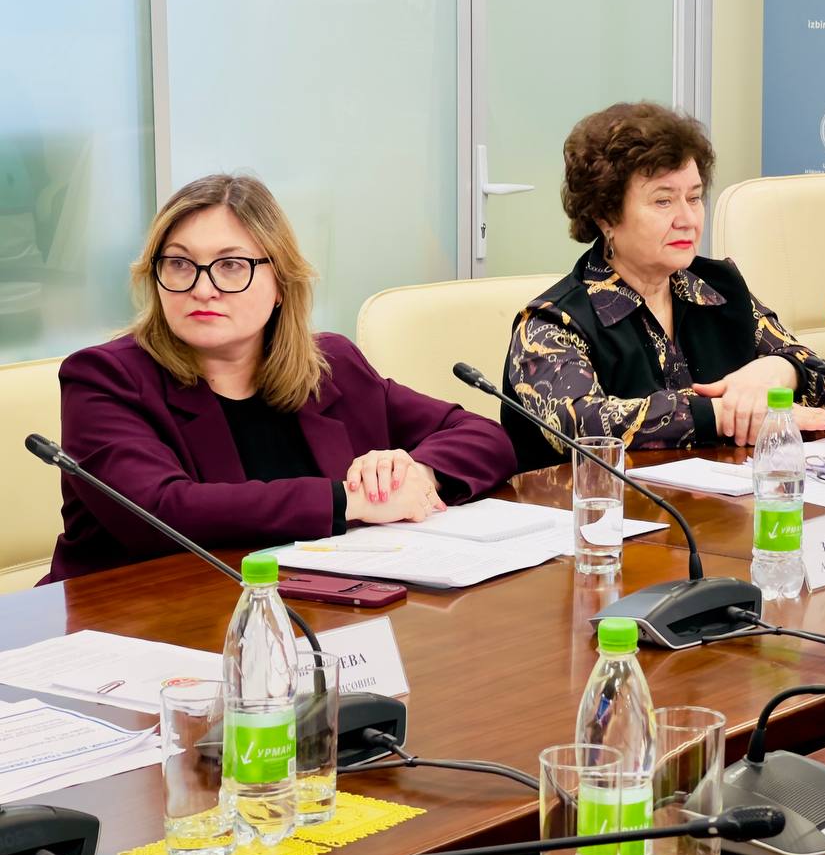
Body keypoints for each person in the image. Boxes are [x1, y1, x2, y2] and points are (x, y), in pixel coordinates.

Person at [45, 174, 516, 582]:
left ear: (281, 285)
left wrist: (412, 475)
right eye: (180, 264)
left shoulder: (330, 364)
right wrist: (349, 502)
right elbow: (159, 512)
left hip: (311, 609)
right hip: (138, 620)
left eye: (231, 265)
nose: (202, 288)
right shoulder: (105, 379)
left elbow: (485, 437)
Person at [504, 101, 825, 470]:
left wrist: (777, 372)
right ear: (606, 215)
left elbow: (823, 377)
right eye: (663, 201)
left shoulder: (718, 288)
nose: (687, 219)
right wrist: (722, 413)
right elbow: (586, 424)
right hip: (600, 505)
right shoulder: (551, 324)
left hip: (724, 501)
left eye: (694, 198)